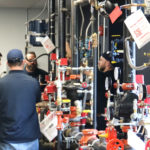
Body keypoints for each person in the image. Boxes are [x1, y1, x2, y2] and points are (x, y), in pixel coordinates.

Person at [0, 49, 41, 150]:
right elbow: (37, 102)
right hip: (29, 137)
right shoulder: (33, 82)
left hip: (7, 138)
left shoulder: (1, 83)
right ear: (23, 62)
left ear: (7, 64)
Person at [97, 51, 115, 130]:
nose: (98, 62)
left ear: (107, 63)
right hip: (101, 116)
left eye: (101, 60)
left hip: (105, 118)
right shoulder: (102, 75)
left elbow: (95, 74)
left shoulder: (108, 76)